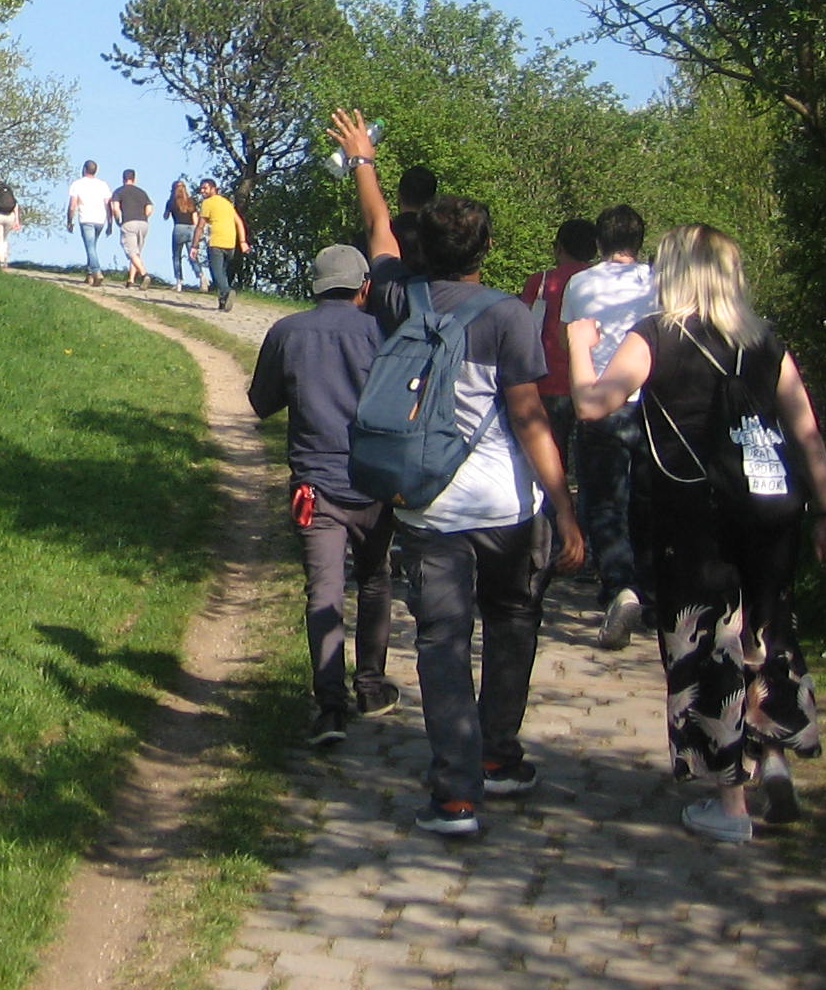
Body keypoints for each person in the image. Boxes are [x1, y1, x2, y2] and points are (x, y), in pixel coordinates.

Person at [329, 108, 584, 838]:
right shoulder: (508, 315)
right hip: (506, 504)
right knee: (511, 622)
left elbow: (377, 230)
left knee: (442, 641)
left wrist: (363, 160)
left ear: (421, 247)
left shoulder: (397, 297)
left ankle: (456, 794)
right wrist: (563, 509)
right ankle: (500, 757)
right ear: (487, 248)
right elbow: (531, 418)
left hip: (428, 506)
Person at [569, 225, 826, 841]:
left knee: (710, 641)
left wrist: (578, 340)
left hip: (696, 514)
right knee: (768, 626)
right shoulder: (763, 338)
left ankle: (730, 805)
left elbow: (594, 404)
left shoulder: (656, 336)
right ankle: (773, 756)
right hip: (773, 506)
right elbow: (806, 431)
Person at [247, 243, 399, 746]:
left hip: (315, 486)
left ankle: (330, 710)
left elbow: (261, 404)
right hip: (377, 484)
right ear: (364, 286)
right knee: (375, 580)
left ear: (315, 285)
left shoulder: (287, 332)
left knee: (325, 592)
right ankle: (371, 687)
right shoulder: (382, 332)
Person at [564, 205, 656, 648]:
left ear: (599, 242)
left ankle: (619, 585)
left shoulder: (579, 284)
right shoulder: (660, 281)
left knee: (604, 503)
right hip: (651, 404)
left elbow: (574, 341)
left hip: (599, 400)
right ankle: (652, 592)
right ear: (640, 241)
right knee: (647, 499)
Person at [521, 218, 599, 502]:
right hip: (592, 386)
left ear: (560, 247)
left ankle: (551, 529)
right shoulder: (598, 282)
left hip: (546, 382)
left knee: (550, 468)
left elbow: (523, 328)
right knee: (592, 470)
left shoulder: (540, 281)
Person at [196, 178, 247, 312]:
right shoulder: (227, 203)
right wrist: (242, 242)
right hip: (230, 242)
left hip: (216, 242)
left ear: (213, 189)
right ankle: (223, 302)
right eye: (201, 188)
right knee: (222, 273)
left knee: (216, 273)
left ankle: (227, 291)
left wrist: (194, 245)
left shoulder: (207, 203)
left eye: (205, 188)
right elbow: (239, 222)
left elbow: (200, 226)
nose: (202, 191)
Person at [65, 161, 113, 285]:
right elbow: (109, 205)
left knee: (90, 247)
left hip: (86, 219)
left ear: (84, 169)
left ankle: (97, 271)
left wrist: (69, 221)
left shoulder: (77, 184)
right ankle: (89, 274)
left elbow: (72, 206)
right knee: (92, 247)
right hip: (100, 220)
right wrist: (110, 223)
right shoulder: (103, 185)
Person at [109, 168, 153, 287]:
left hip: (129, 222)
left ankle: (144, 274)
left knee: (131, 252)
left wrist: (119, 220)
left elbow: (115, 208)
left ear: (123, 178)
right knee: (137, 252)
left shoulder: (119, 191)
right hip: (143, 223)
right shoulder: (142, 192)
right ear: (134, 179)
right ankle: (131, 280)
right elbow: (149, 209)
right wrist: (144, 216)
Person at [166, 178, 207, 291]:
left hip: (178, 228)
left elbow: (165, 216)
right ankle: (201, 277)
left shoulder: (171, 202)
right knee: (192, 255)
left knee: (176, 256)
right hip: (191, 229)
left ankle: (179, 282)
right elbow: (195, 218)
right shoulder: (190, 201)